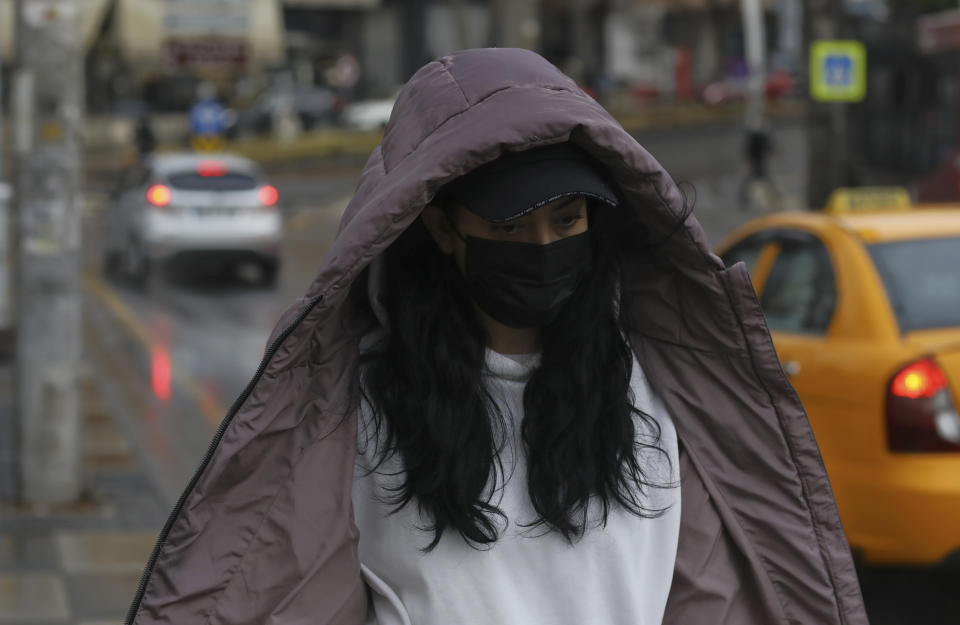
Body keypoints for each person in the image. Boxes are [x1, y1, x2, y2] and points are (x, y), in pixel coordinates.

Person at [127, 48, 868, 625]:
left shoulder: (658, 393)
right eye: (511, 226)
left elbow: (705, 596)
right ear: (444, 228)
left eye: (568, 221)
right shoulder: (361, 406)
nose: (544, 245)